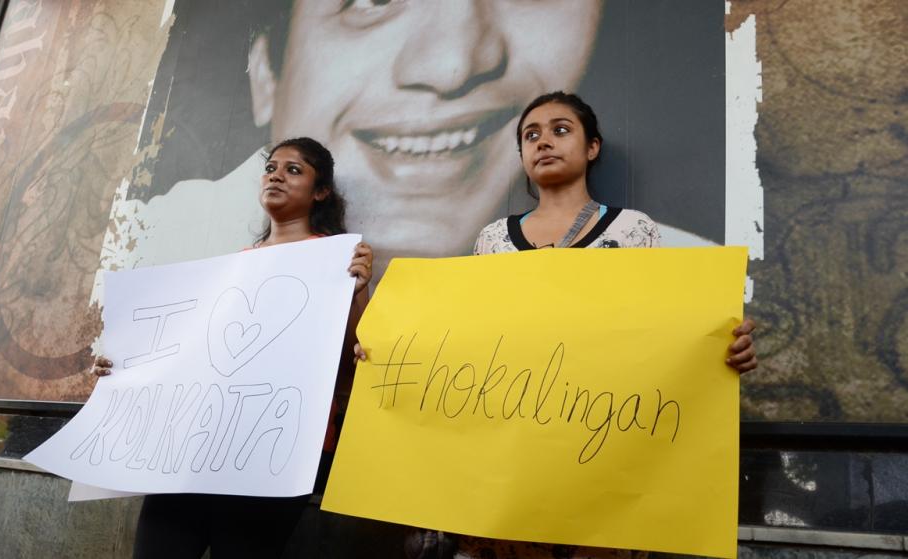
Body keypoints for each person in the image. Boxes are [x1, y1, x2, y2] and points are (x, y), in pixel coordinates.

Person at [109, 1, 719, 284]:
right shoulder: (159, 245)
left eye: (558, 129)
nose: (451, 64)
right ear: (266, 72)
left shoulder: (675, 259)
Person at [405, 91, 756, 559]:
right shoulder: (493, 238)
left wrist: (721, 350)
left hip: (603, 447)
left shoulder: (632, 230)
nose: (544, 142)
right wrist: (394, 349)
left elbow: (662, 333)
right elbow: (468, 338)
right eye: (531, 135)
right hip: (512, 454)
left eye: (560, 130)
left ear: (592, 147)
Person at [95, 137, 374, 558]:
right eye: (271, 168)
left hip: (275, 447)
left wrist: (357, 291)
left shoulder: (339, 261)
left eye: (294, 170)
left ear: (321, 192)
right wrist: (124, 363)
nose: (276, 176)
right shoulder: (232, 266)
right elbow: (190, 354)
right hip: (198, 441)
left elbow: (351, 365)